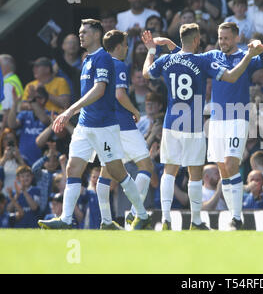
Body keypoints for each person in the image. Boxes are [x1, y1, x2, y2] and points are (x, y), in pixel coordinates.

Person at [141, 23, 263, 230]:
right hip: (192, 125)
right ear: (197, 40)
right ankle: (196, 220)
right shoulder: (202, 61)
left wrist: (152, 50)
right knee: (195, 174)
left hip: (170, 123)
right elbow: (232, 76)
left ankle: (165, 220)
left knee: (169, 171)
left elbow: (146, 73)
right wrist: (248, 55)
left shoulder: (166, 59)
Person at [38, 19, 151, 230]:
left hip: (104, 126)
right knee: (73, 168)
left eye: (84, 33)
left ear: (97, 35)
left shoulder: (104, 59)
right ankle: (66, 218)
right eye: (80, 32)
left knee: (118, 172)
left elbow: (99, 90)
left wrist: (70, 110)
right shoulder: (87, 59)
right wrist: (75, 114)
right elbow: (89, 95)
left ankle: (142, 215)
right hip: (84, 125)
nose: (80, 36)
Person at [201, 21, 263, 230]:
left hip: (238, 118)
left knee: (231, 164)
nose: (222, 42)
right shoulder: (213, 56)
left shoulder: (244, 56)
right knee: (223, 169)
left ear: (236, 38)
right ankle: (234, 217)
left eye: (226, 38)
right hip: (216, 119)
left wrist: (260, 46)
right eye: (220, 38)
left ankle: (237, 217)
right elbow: (190, 58)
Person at [86, 29, 155, 230]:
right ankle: (135, 213)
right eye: (125, 44)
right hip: (123, 125)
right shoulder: (118, 64)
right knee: (147, 166)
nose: (126, 48)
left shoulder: (97, 63)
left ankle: (106, 221)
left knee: (106, 173)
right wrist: (135, 110)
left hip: (103, 126)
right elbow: (119, 94)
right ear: (117, 46)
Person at [8, 85, 51, 166]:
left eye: (35, 97)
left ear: (43, 100)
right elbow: (12, 124)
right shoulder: (25, 114)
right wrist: (15, 104)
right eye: (29, 98)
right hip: (22, 163)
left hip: (41, 164)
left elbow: (45, 120)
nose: (29, 100)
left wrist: (32, 100)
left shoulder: (51, 114)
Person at [0, 54, 23, 130]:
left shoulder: (7, 83)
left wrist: (2, 130)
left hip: (6, 125)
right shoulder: (14, 79)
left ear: (5, 67)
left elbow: (7, 110)